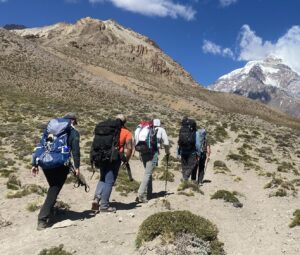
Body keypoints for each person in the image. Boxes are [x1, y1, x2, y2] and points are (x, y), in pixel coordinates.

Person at [31, 112, 80, 230]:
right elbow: (75, 150)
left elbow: (41, 145)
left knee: (53, 186)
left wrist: (35, 163)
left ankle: (50, 211)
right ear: (72, 120)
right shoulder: (73, 132)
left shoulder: (50, 129)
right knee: (54, 188)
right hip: (60, 164)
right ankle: (42, 219)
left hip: (45, 162)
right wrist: (77, 166)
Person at [91, 114, 133, 213]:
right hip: (114, 158)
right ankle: (104, 205)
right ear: (124, 122)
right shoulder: (126, 132)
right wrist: (126, 159)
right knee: (109, 181)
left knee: (102, 178)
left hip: (101, 156)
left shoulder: (106, 129)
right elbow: (130, 148)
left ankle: (96, 199)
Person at [135, 119, 170, 203]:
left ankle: (149, 194)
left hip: (143, 151)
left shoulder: (145, 129)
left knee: (148, 173)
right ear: (160, 124)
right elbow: (166, 143)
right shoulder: (161, 130)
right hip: (153, 153)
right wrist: (167, 152)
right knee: (148, 173)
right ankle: (140, 194)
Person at [177, 117, 199, 181]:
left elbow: (179, 141)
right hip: (192, 151)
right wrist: (198, 152)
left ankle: (184, 180)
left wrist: (178, 152)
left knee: (184, 166)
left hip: (183, 150)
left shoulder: (181, 130)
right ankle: (185, 178)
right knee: (192, 164)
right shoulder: (195, 132)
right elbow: (197, 144)